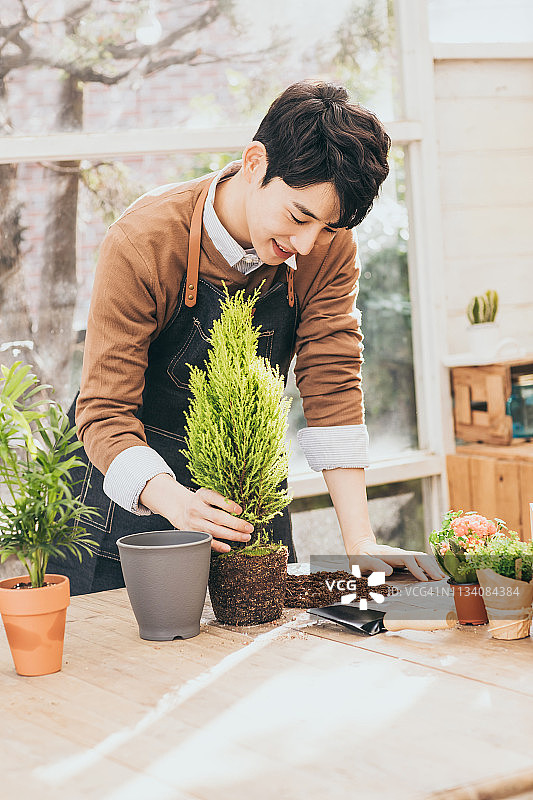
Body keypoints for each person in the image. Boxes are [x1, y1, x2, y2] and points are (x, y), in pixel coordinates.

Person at [48, 81, 445, 595]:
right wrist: (175, 500)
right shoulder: (145, 241)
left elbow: (331, 385)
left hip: (249, 490)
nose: (306, 244)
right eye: (299, 216)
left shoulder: (328, 247)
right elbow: (103, 411)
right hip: (129, 493)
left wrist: (360, 539)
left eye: (327, 228)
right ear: (255, 162)